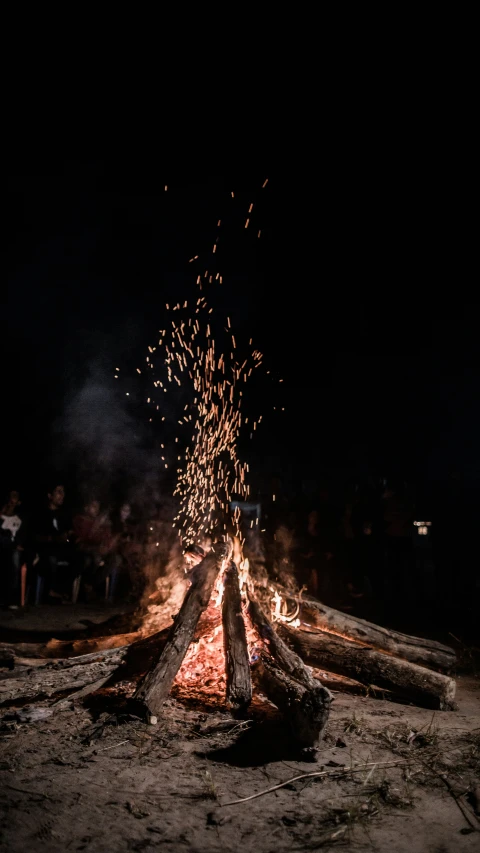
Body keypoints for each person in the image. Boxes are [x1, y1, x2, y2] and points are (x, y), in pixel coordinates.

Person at [33, 483, 78, 602]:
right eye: (58, 492)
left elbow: (69, 535)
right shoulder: (41, 513)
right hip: (44, 551)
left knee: (79, 557)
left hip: (61, 549)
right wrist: (54, 538)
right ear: (50, 495)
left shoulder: (64, 515)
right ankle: (50, 592)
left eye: (63, 492)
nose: (62, 495)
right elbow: (36, 537)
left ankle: (61, 590)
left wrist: (69, 535)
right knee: (51, 558)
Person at [72, 499, 117, 601]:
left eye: (97, 507)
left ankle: (90, 584)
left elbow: (106, 539)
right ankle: (87, 588)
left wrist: (107, 545)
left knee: (115, 559)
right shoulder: (80, 520)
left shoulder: (101, 522)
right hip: (83, 550)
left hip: (97, 550)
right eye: (93, 506)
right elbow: (81, 540)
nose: (96, 509)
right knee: (94, 557)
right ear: (86, 508)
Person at [0, 490, 26, 609]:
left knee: (15, 558)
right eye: (11, 495)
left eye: (15, 496)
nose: (13, 499)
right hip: (5, 547)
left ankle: (12, 599)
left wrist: (17, 544)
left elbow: (24, 535)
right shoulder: (1, 516)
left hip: (16, 549)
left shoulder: (19, 518)